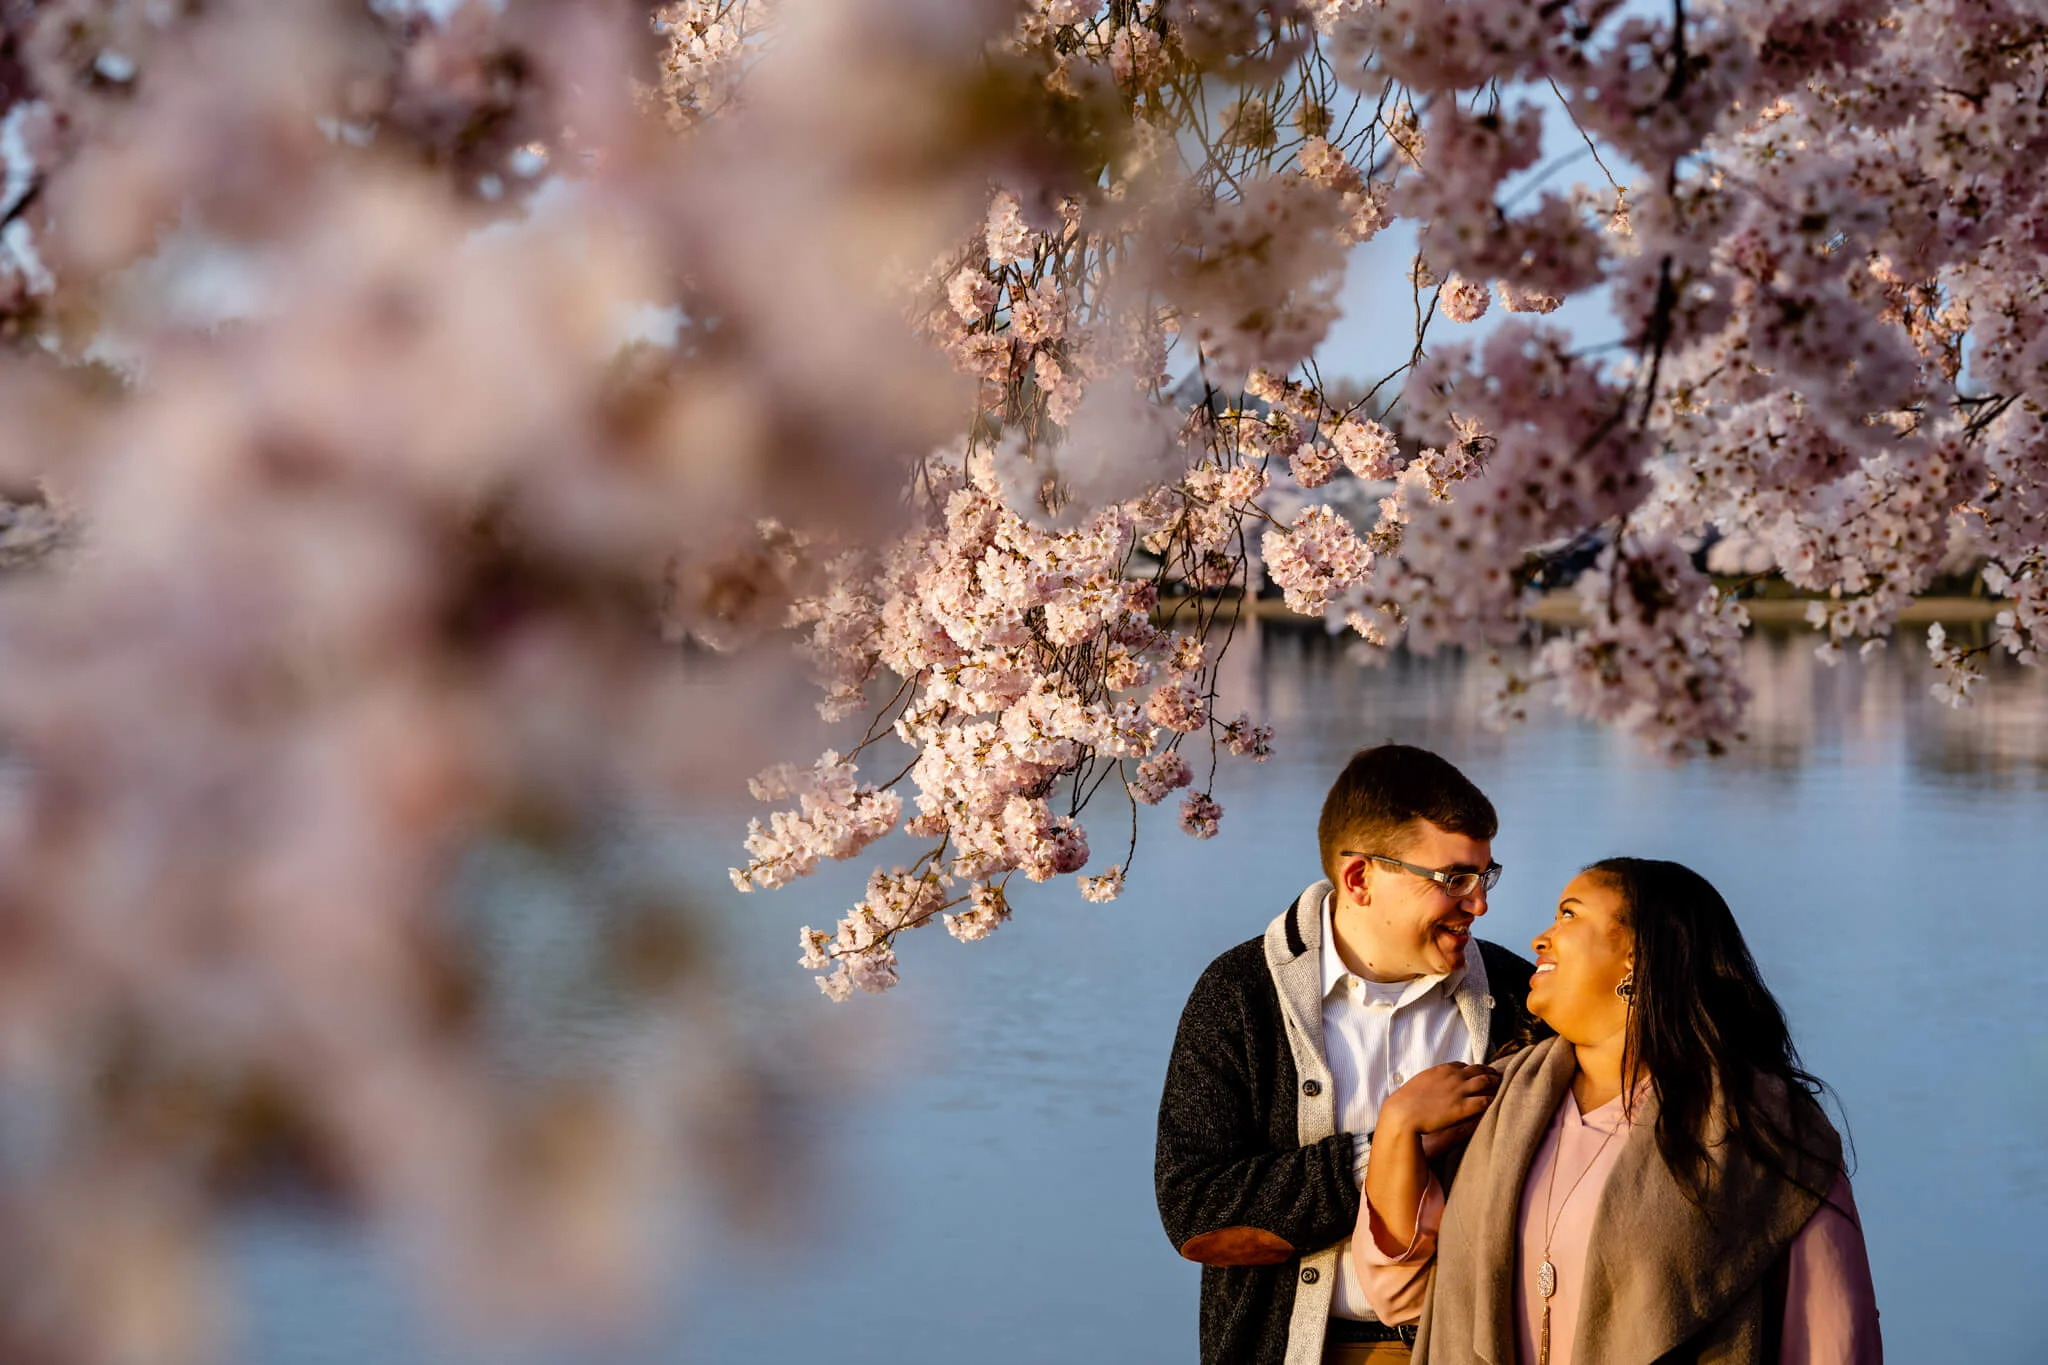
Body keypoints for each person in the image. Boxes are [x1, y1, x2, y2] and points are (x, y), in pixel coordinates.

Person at [1357, 857, 1882, 1365]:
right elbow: (1401, 1297)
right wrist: (1398, 1128)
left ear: (1637, 954)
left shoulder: (1762, 1130)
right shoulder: (1495, 1105)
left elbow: (1832, 1340)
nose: (1541, 938)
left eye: (1569, 913)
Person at [1155, 744, 1542, 1365]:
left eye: (1484, 875)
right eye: (1454, 880)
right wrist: (1383, 1147)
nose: (1480, 903)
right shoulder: (1239, 994)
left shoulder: (1522, 996)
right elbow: (1196, 1210)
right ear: (1360, 877)